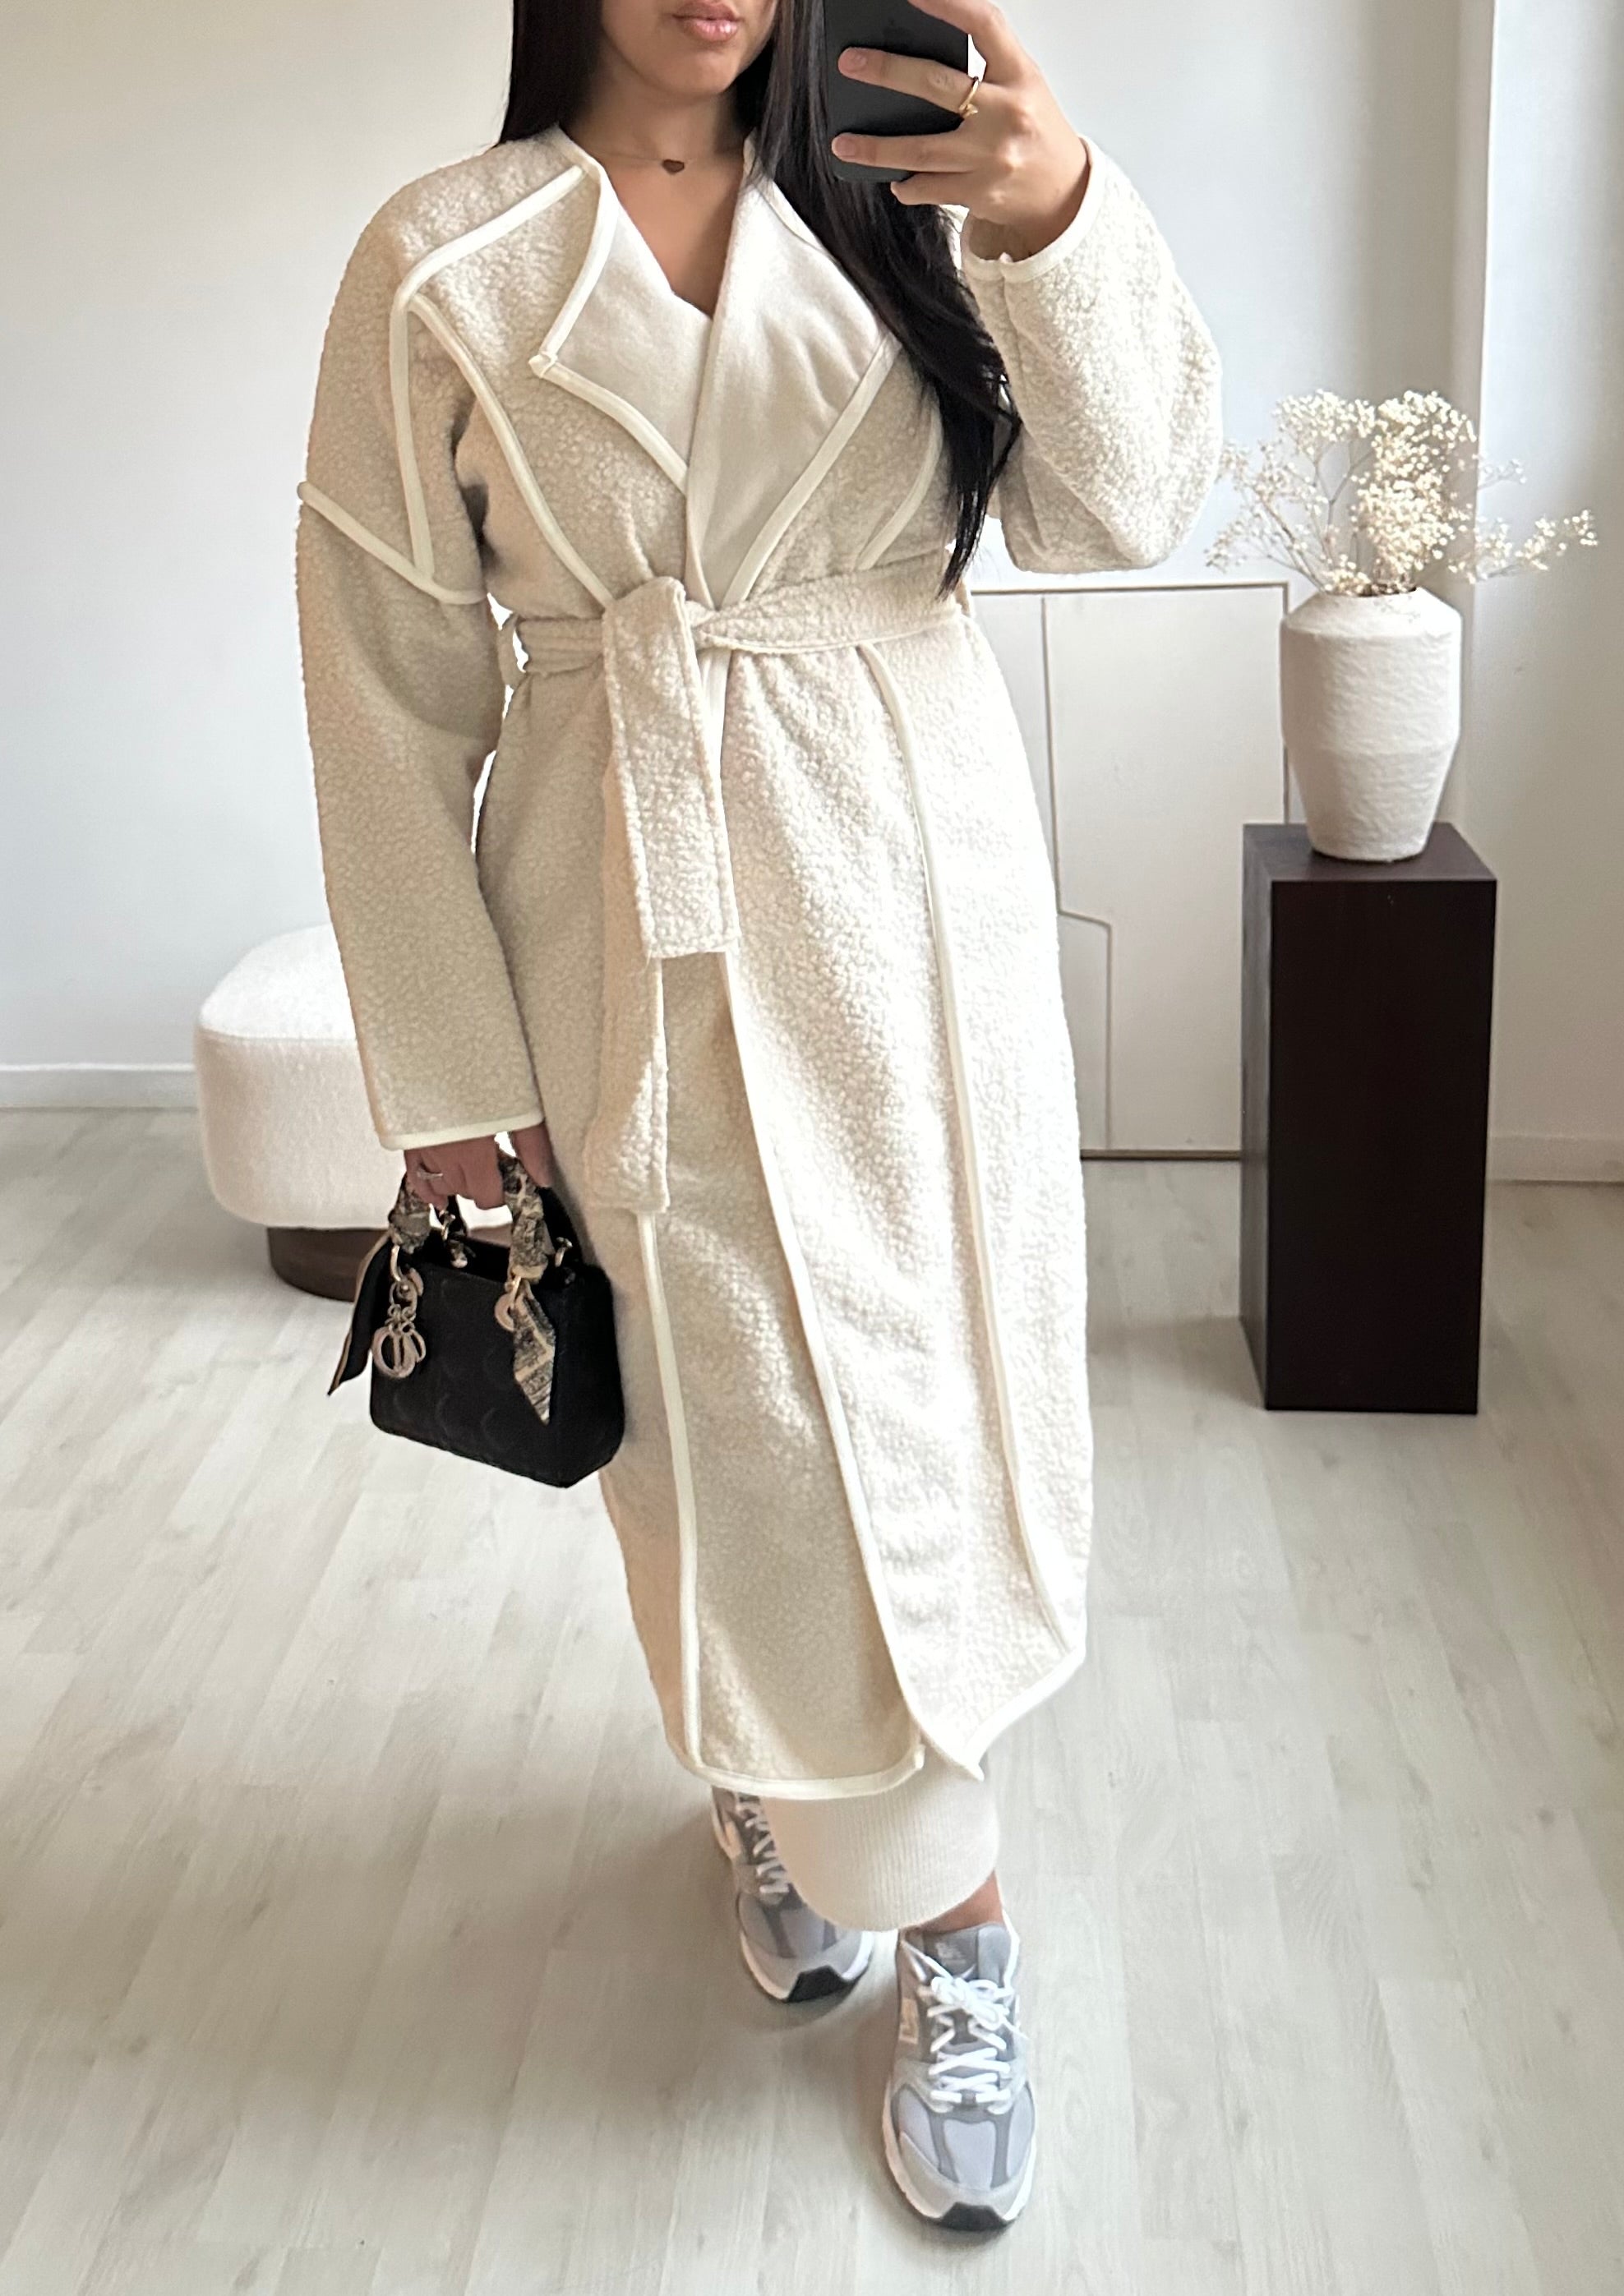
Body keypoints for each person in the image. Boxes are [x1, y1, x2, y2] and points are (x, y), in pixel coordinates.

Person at [294, 0, 1220, 2231]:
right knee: (731, 1426)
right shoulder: (443, 260)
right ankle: (782, 1783)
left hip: (914, 904)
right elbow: (386, 693)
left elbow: (1128, 504)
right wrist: (450, 1073)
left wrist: (1061, 215)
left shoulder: (912, 186)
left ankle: (952, 1931)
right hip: (631, 918)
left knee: (928, 1402)